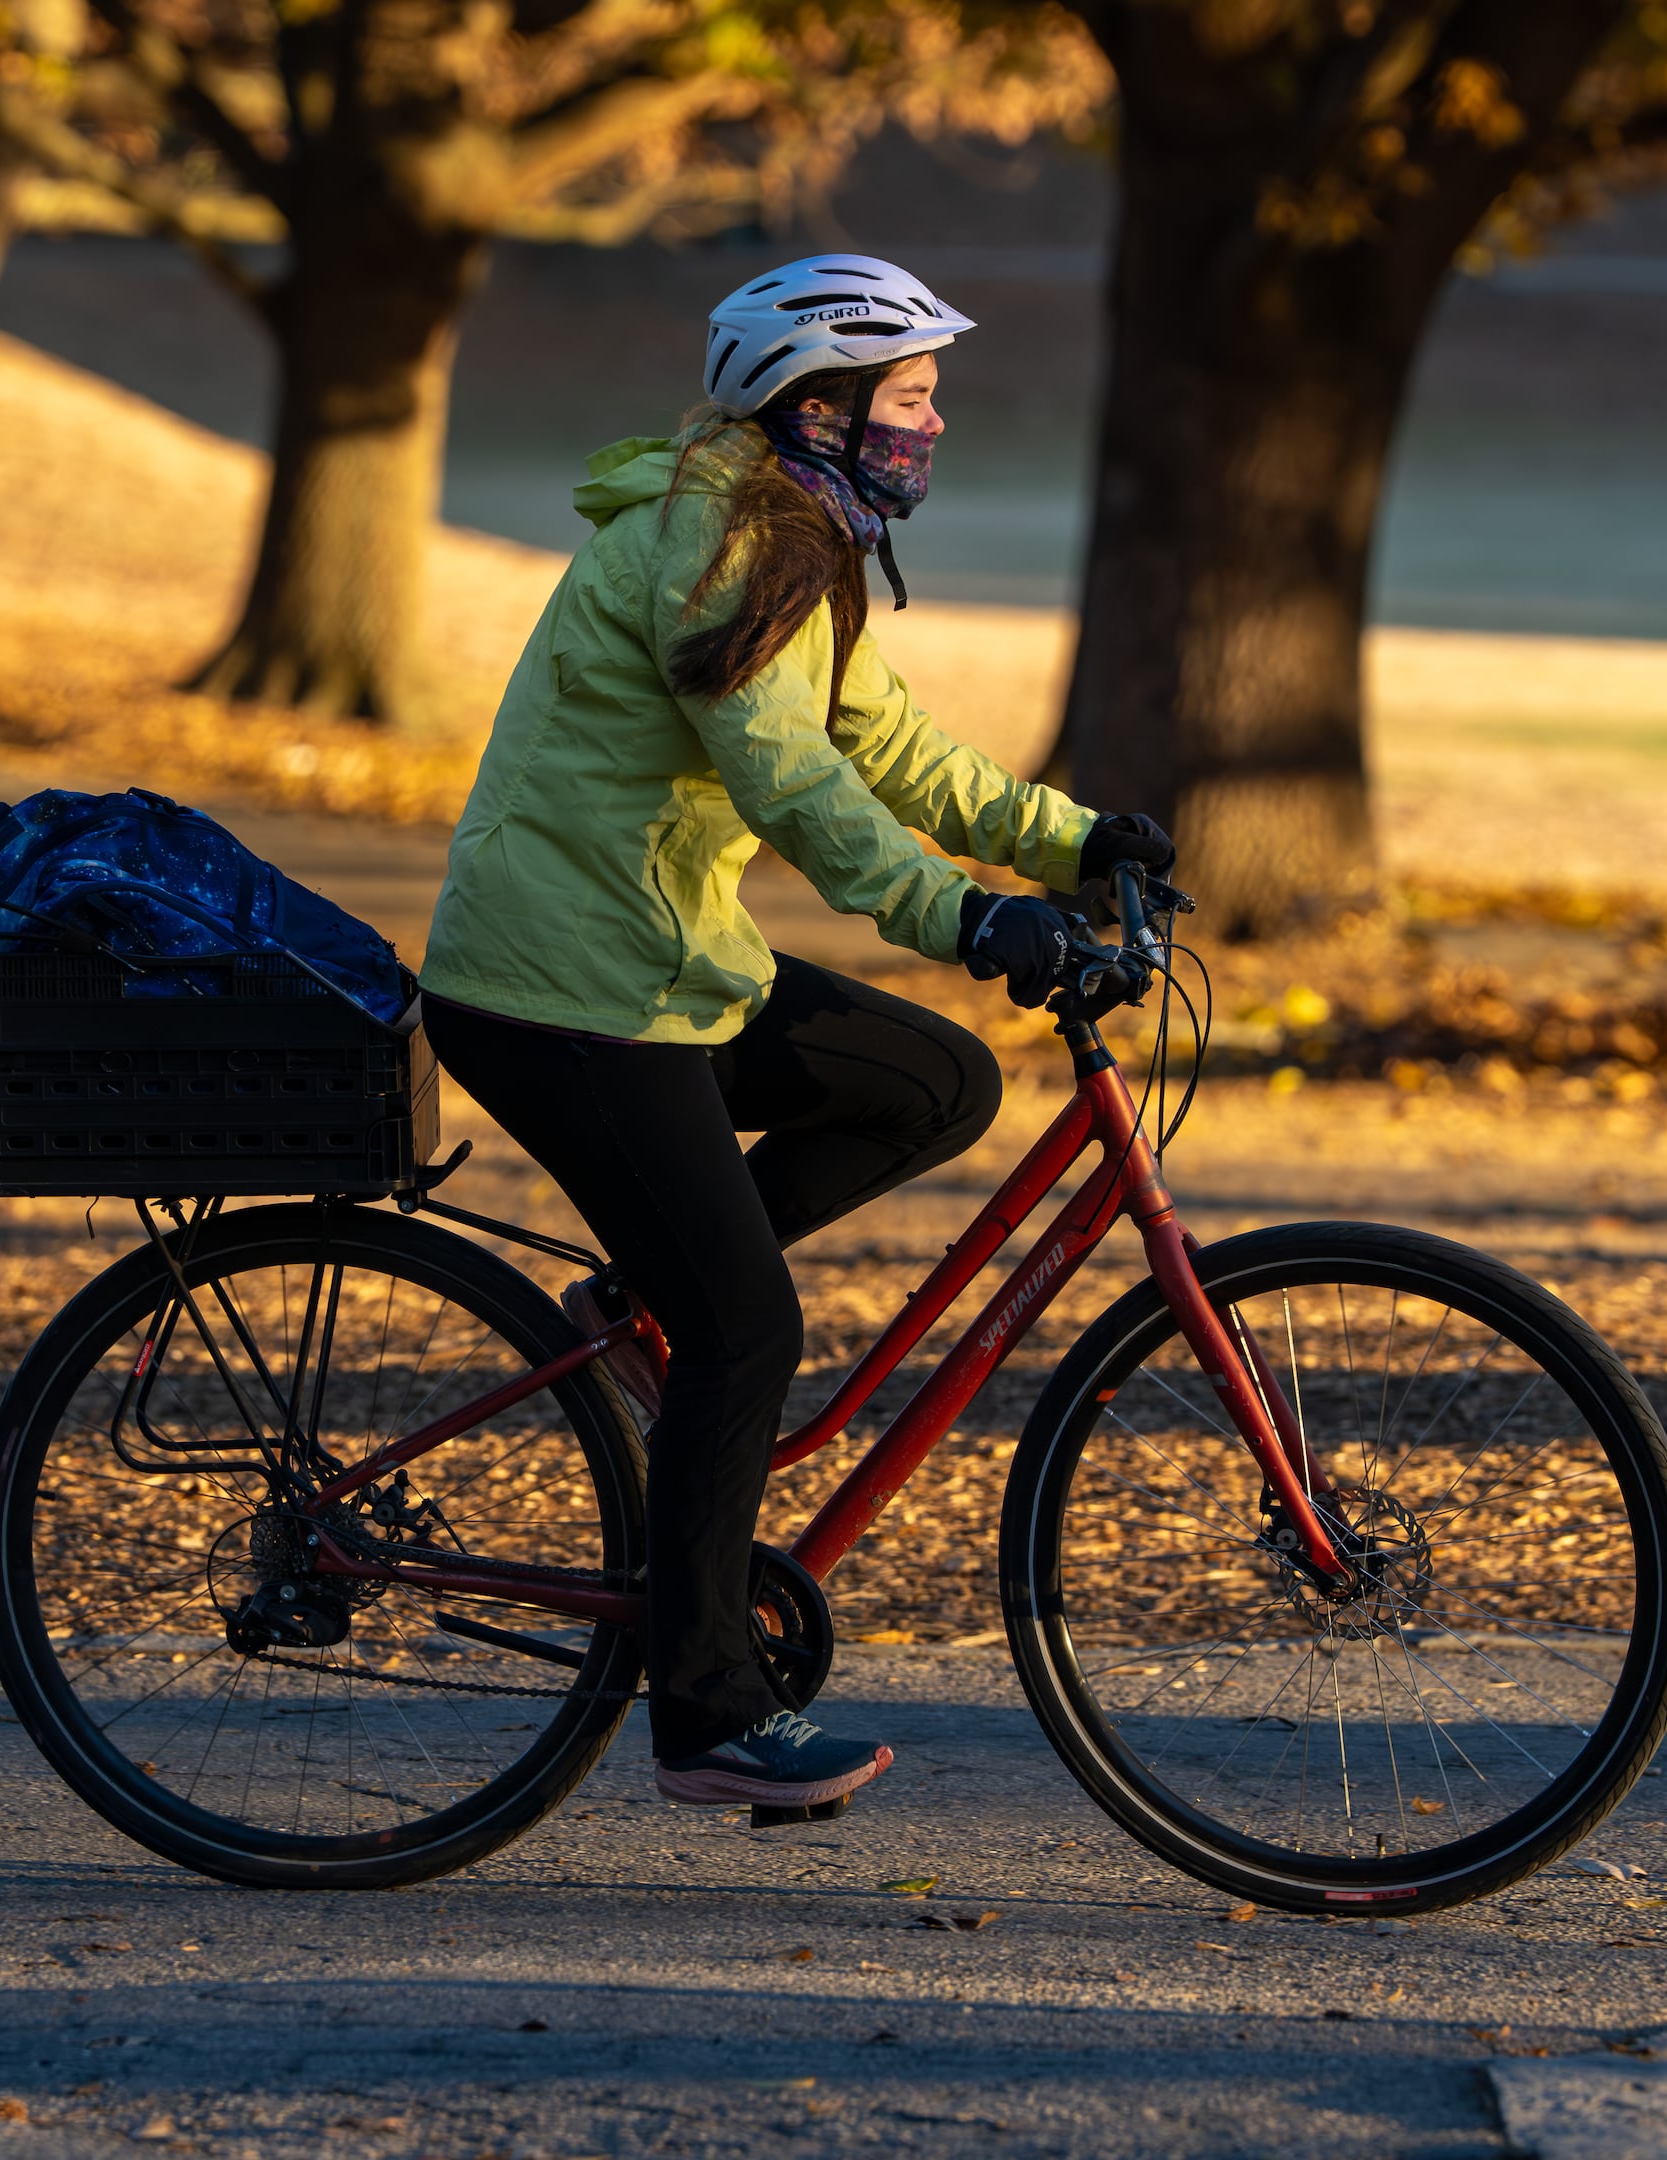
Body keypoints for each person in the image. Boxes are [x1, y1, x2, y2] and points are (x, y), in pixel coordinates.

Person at [416, 255, 1178, 1811]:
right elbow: (796, 786)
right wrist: (970, 920)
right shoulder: (720, 545)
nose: (935, 419)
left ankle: (652, 1300)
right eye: (911, 394)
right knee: (750, 1328)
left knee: (936, 1082)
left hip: (657, 964)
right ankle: (704, 1712)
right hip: (562, 991)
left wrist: (1073, 845)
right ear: (817, 406)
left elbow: (882, 740)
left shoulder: (789, 527)